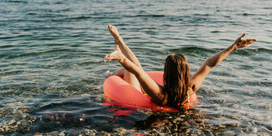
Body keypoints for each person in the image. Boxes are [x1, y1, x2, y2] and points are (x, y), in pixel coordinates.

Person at [104, 25, 257, 109]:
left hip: (140, 98)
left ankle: (116, 63)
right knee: (128, 71)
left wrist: (122, 59)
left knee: (126, 72)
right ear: (186, 73)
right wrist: (233, 47)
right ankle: (120, 50)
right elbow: (209, 64)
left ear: (167, 73)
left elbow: (139, 72)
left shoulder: (160, 94)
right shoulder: (190, 89)